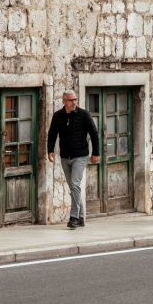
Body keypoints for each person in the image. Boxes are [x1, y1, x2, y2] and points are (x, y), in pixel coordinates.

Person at [47, 90, 99, 229]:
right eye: (70, 100)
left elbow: (94, 133)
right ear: (64, 101)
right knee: (73, 187)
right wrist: (50, 150)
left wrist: (96, 153)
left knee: (75, 184)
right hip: (65, 157)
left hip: (80, 156)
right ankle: (81, 217)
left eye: (75, 99)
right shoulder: (58, 116)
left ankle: (74, 218)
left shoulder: (83, 115)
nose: (74, 102)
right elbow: (52, 133)